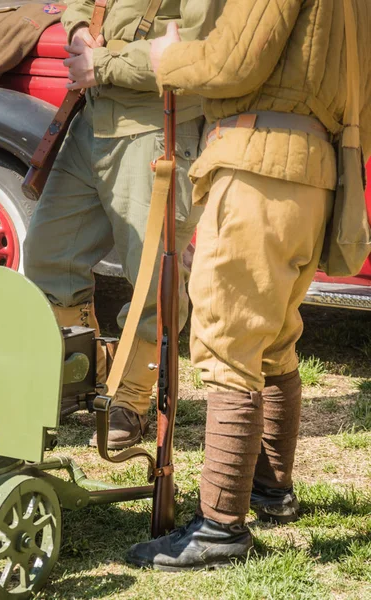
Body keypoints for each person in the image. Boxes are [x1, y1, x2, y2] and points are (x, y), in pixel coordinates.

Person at [126, 0, 371, 570]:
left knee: (227, 341)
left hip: (260, 164)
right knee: (275, 338)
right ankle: (269, 489)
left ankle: (219, 527)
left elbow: (233, 61)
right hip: (312, 169)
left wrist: (168, 58)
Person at [24, 0, 224, 449]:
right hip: (90, 121)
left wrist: (103, 64)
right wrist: (77, 29)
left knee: (153, 276)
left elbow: (196, 47)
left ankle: (130, 398)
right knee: (48, 253)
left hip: (156, 125)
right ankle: (83, 375)